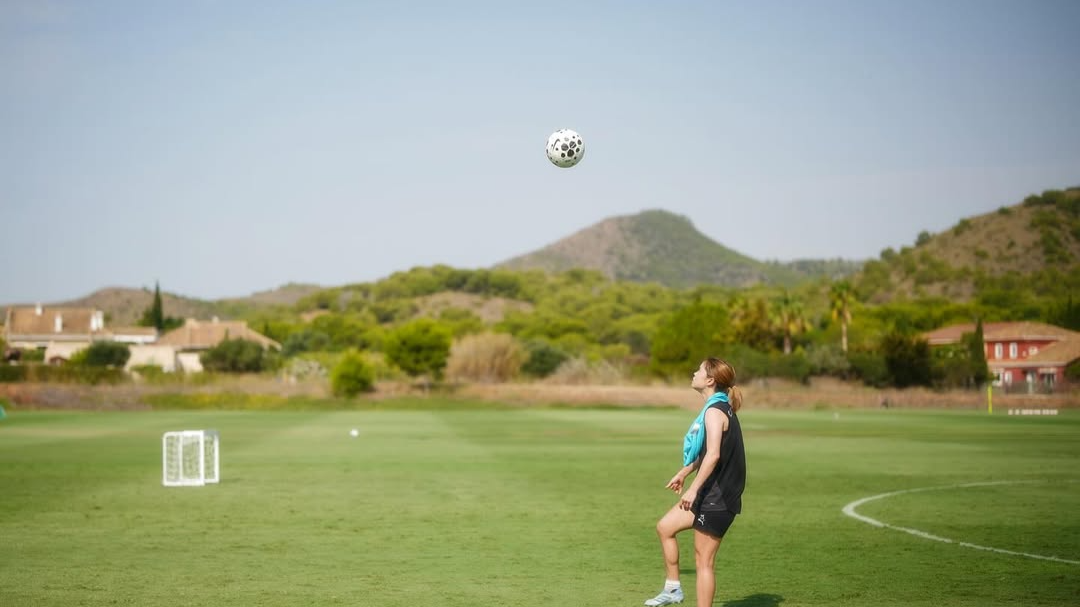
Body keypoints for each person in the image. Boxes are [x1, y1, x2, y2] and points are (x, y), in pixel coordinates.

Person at [644, 358, 745, 607]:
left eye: (699, 370)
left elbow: (714, 455)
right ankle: (672, 589)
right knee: (665, 527)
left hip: (717, 499)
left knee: (704, 562)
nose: (694, 373)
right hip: (710, 494)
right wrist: (685, 471)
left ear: (710, 380)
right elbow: (707, 453)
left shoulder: (714, 412)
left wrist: (692, 489)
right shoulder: (718, 407)